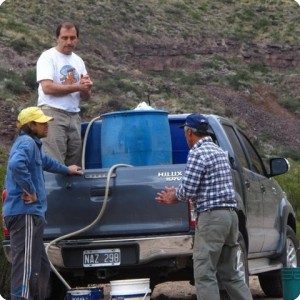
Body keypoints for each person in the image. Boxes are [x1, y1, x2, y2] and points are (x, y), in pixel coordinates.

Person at [155, 114, 253, 300]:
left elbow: (188, 191)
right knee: (231, 274)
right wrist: (180, 192)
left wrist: (172, 196)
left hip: (212, 218)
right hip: (230, 218)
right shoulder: (219, 151)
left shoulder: (197, 153)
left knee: (204, 273)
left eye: (185, 133)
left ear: (190, 132)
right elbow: (203, 186)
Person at [3, 107, 83, 300]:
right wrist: (29, 190)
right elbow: (16, 164)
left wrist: (66, 169)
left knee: (41, 267)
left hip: (31, 214)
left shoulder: (33, 145)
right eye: (41, 123)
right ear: (30, 125)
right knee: (26, 265)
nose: (47, 126)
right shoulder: (27, 143)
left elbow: (46, 162)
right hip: (25, 213)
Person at [36, 20, 93, 166]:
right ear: (57, 38)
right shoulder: (48, 57)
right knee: (54, 164)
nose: (69, 42)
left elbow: (85, 96)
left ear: (77, 39)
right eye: (65, 38)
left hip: (74, 116)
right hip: (52, 114)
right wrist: (78, 87)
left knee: (74, 166)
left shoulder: (78, 61)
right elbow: (47, 87)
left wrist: (86, 88)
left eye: (72, 38)